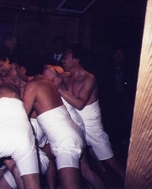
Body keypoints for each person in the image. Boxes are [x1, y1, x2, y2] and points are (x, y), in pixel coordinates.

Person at [53, 44, 126, 182]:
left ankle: (132, 183)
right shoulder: (66, 77)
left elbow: (80, 104)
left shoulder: (89, 78)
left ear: (76, 60)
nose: (63, 60)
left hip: (92, 126)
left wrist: (60, 89)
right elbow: (49, 73)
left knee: (111, 162)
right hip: (76, 124)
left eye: (66, 57)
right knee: (83, 166)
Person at [15, 48, 84, 189]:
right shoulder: (46, 81)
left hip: (65, 141)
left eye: (16, 68)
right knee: (39, 154)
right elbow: (42, 111)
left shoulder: (32, 85)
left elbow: (22, 116)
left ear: (23, 69)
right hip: (71, 133)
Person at [44, 65, 106, 189]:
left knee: (73, 173)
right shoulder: (56, 72)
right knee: (84, 171)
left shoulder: (48, 71)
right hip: (73, 125)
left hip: (71, 125)